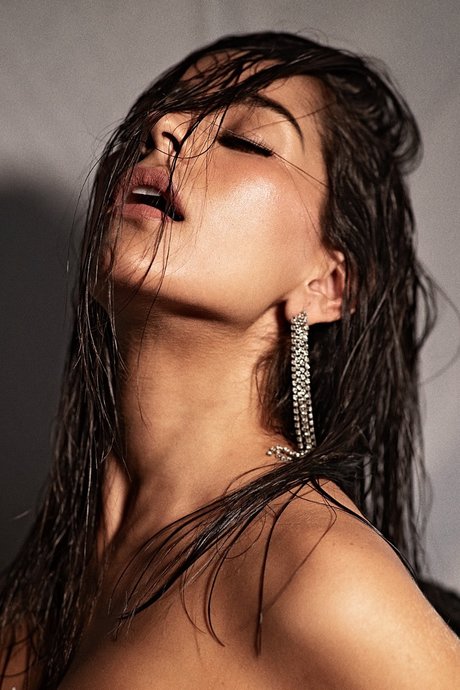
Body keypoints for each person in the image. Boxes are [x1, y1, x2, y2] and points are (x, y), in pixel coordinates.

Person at [1, 30, 459, 689]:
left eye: (246, 139)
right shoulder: (55, 559)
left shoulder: (309, 564)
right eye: (163, 112)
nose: (163, 128)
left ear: (328, 285)